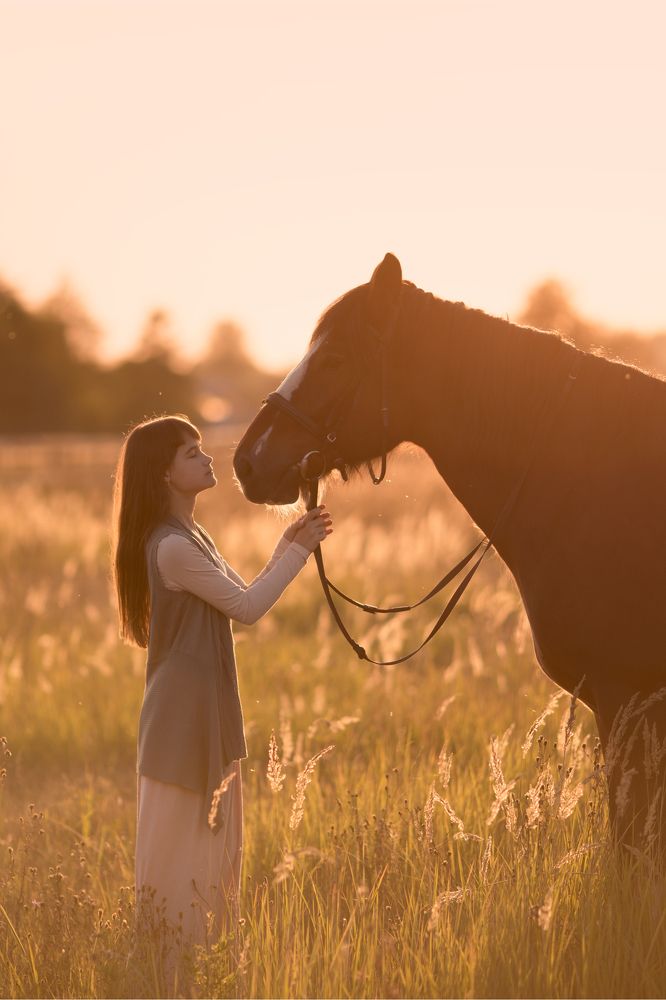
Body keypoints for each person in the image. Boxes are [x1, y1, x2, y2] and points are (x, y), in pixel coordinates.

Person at [111, 414, 332, 988]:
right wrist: (300, 551)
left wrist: (287, 542)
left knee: (213, 861)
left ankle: (202, 975)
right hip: (181, 722)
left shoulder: (191, 538)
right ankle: (168, 978)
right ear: (164, 473)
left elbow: (243, 591)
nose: (208, 460)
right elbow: (249, 607)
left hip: (203, 711)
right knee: (180, 862)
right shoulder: (170, 549)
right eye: (192, 453)